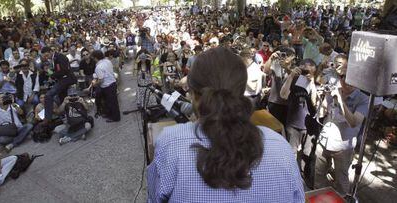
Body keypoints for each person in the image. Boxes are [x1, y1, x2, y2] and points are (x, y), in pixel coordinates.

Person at [147, 47, 304, 202]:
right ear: (241, 90)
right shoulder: (279, 146)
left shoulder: (170, 143)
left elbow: (155, 198)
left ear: (193, 95)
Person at [314, 55, 369, 196]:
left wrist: (340, 100)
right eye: (344, 77)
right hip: (324, 140)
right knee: (319, 176)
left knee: (341, 181)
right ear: (340, 77)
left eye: (353, 80)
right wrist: (322, 97)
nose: (348, 82)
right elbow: (324, 108)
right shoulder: (334, 87)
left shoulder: (363, 99)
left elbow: (354, 122)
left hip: (343, 147)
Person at [280, 59, 317, 155]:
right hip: (294, 124)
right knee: (291, 153)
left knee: (306, 154)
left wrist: (312, 83)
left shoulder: (315, 82)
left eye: (310, 72)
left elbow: (314, 104)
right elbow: (283, 95)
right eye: (304, 71)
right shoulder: (293, 79)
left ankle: (303, 170)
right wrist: (291, 76)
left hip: (308, 125)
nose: (306, 74)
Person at [41, 47, 77, 123]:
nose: (46, 57)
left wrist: (52, 75)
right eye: (45, 56)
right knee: (63, 99)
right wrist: (51, 72)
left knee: (48, 95)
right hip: (62, 80)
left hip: (67, 79)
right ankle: (68, 116)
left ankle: (47, 118)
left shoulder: (60, 57)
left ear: (51, 51)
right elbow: (58, 70)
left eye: (47, 55)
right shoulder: (55, 59)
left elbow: (63, 71)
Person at [90, 50, 120, 122]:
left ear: (95, 58)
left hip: (107, 86)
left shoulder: (98, 67)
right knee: (110, 102)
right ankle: (109, 114)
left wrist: (94, 84)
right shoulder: (107, 61)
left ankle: (115, 118)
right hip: (112, 83)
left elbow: (101, 80)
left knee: (112, 103)